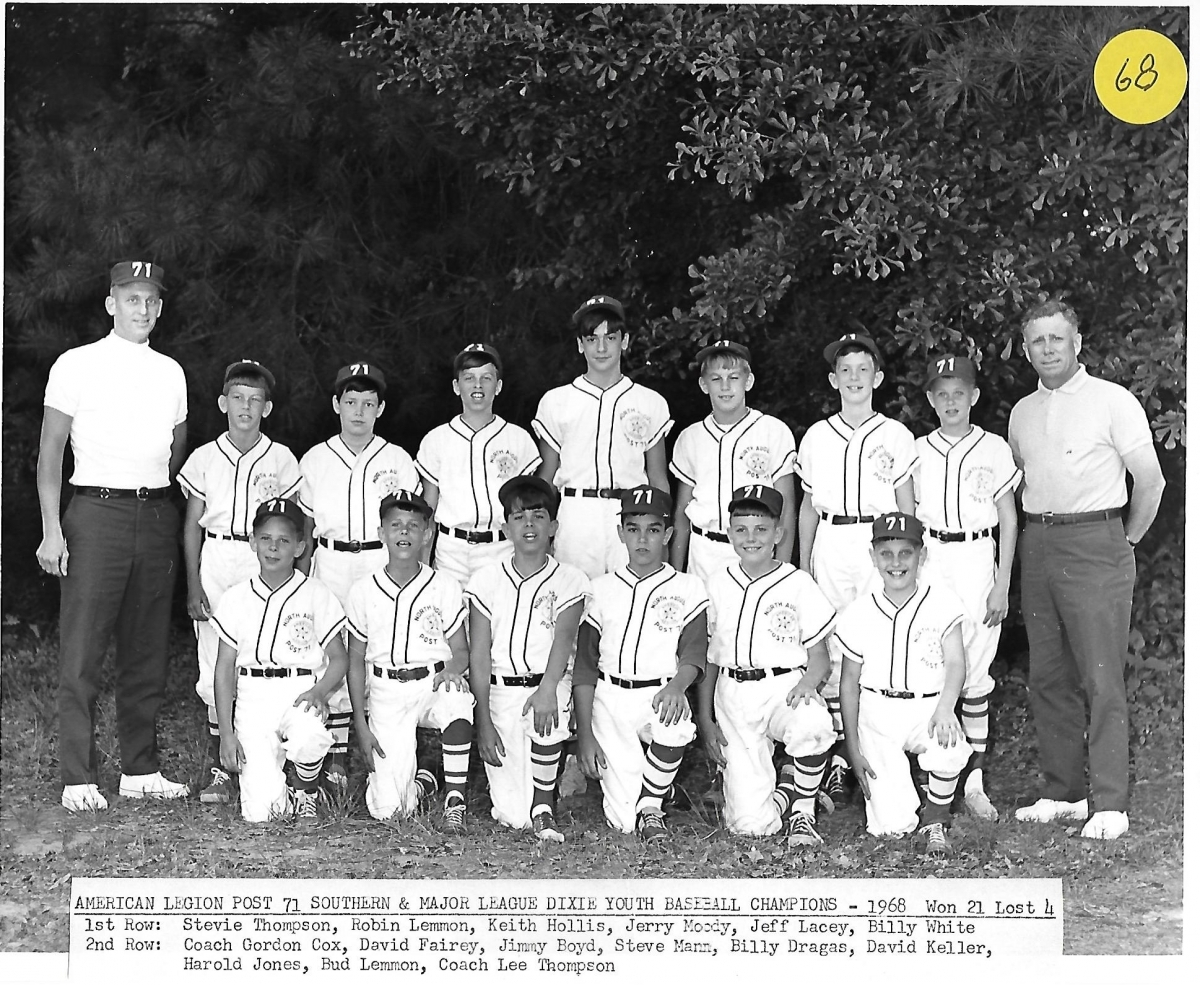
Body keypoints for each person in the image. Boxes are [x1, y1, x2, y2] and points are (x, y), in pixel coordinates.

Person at [36, 260, 190, 812]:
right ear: (110, 303)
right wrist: (52, 529)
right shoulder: (76, 364)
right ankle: (79, 777)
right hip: (94, 511)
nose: (142, 309)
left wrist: (156, 505)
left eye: (151, 299)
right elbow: (51, 449)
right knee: (83, 650)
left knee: (146, 649)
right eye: (131, 298)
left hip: (153, 513)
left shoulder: (171, 371)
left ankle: (140, 770)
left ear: (160, 307)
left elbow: (173, 450)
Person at [1008, 300, 1165, 840]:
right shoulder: (1022, 412)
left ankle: (1111, 804)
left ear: (1077, 342)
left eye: (1057, 338)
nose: (1047, 348)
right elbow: (1023, 477)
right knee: (1048, 674)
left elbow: (1151, 480)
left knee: (1101, 676)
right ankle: (1064, 793)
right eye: (1037, 341)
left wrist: (1127, 539)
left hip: (1097, 540)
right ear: (1026, 349)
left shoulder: (1112, 401)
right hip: (1040, 543)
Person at [795, 332, 917, 806]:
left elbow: (906, 505)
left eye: (862, 370)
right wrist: (803, 563)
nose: (854, 379)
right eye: (844, 370)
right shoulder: (817, 435)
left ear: (878, 377)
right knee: (829, 641)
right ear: (833, 379)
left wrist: (906, 551)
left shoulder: (895, 434)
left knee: (877, 639)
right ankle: (837, 762)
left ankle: (879, 750)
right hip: (831, 537)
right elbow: (807, 506)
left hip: (878, 541)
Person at [178, 359, 301, 804]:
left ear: (266, 408)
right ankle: (222, 763)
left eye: (254, 400)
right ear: (222, 403)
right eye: (237, 398)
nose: (245, 407)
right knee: (214, 663)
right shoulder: (205, 456)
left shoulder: (282, 458)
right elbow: (192, 525)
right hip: (218, 555)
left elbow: (290, 527)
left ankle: (276, 758)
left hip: (260, 557)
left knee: (262, 652)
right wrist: (193, 584)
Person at [298, 362, 421, 793]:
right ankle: (332, 757)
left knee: (375, 652)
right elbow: (307, 530)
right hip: (332, 560)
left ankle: (376, 750)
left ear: (380, 409)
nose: (358, 411)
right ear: (336, 404)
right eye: (350, 402)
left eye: (369, 404)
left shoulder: (397, 459)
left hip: (377, 561)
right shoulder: (315, 458)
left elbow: (412, 523)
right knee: (331, 653)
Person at [698, 485, 837, 848]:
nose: (751, 538)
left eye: (761, 529)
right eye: (741, 529)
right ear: (729, 533)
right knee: (749, 826)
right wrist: (706, 719)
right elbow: (711, 657)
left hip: (783, 687)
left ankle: (803, 813)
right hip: (732, 694)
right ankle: (789, 784)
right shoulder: (717, 582)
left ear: (778, 534)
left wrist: (809, 684)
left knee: (813, 722)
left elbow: (819, 657)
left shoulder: (797, 582)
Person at [914, 354, 1020, 820]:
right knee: (931, 665)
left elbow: (1009, 519)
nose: (951, 401)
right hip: (933, 557)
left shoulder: (993, 447)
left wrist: (1002, 582)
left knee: (975, 673)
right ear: (931, 400)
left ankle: (973, 781)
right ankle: (931, 776)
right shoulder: (917, 449)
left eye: (960, 392)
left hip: (978, 557)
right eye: (942, 394)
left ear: (974, 396)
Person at [573, 486, 709, 840]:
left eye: (652, 529)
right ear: (621, 533)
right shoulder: (600, 589)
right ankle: (663, 790)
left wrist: (678, 686)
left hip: (660, 691)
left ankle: (652, 802)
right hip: (611, 696)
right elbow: (585, 667)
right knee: (622, 821)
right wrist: (585, 734)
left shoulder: (688, 587)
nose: (642, 539)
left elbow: (694, 652)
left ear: (667, 534)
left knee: (677, 725)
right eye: (633, 529)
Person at [836, 512, 972, 855]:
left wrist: (946, 707)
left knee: (948, 745)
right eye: (886, 553)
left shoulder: (941, 601)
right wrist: (852, 747)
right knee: (891, 829)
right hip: (877, 711)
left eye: (906, 553)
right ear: (873, 556)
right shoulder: (859, 611)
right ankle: (906, 806)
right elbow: (849, 682)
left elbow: (956, 662)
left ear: (922, 555)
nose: (896, 563)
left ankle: (936, 819)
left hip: (927, 705)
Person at [464, 476, 590, 842]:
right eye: (519, 517)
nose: (529, 525)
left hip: (547, 683)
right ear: (505, 528)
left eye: (538, 516)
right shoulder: (486, 580)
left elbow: (564, 641)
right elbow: (479, 654)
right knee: (510, 815)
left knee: (545, 719)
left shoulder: (570, 578)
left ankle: (544, 807)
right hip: (502, 691)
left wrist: (549, 688)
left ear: (554, 527)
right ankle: (535, 799)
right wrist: (483, 720)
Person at [211, 498, 348, 823]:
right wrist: (227, 734)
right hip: (253, 695)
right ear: (252, 542)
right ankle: (282, 789)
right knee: (262, 813)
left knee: (311, 737)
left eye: (284, 540)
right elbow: (224, 669)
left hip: (299, 688)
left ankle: (306, 789)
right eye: (266, 539)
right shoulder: (235, 597)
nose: (274, 548)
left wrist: (319, 692)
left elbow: (339, 659)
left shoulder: (315, 592)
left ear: (300, 547)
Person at [344, 492, 475, 830]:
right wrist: (360, 721)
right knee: (390, 810)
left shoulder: (443, 584)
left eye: (414, 526)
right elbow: (355, 660)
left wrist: (452, 670)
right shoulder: (363, 590)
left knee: (457, 697)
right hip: (386, 690)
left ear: (427, 534)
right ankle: (425, 779)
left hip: (433, 682)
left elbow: (461, 650)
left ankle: (455, 800)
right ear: (381, 532)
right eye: (396, 525)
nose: (404, 533)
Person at [532, 294, 673, 578]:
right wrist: (540, 529)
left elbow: (657, 476)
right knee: (576, 600)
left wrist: (663, 532)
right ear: (580, 345)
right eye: (592, 338)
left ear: (624, 341)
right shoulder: (556, 400)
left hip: (633, 512)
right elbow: (547, 474)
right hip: (576, 513)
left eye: (610, 337)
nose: (601, 347)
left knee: (632, 598)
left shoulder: (649, 401)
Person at [669, 340, 797, 587]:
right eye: (716, 379)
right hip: (703, 552)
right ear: (703, 385)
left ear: (748, 381)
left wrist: (783, 569)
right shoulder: (690, 437)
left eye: (734, 377)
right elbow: (682, 512)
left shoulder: (773, 431)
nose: (725, 387)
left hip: (756, 550)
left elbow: (787, 508)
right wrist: (676, 573)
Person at [415, 343, 541, 587]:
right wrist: (422, 566)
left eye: (486, 377)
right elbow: (428, 509)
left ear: (499, 386)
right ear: (456, 386)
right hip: (452, 550)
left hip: (502, 547)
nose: (477, 385)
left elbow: (532, 508)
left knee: (501, 622)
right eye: (469, 378)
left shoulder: (517, 438)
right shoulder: (437, 439)